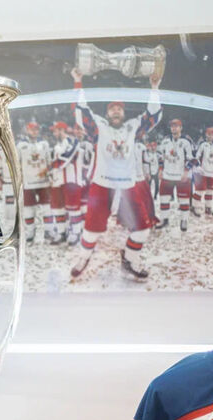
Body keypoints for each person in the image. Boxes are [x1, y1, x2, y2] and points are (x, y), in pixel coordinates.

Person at [70, 67, 162, 280]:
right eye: (112, 109)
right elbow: (81, 111)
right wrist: (78, 82)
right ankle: (84, 257)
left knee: (142, 230)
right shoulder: (99, 127)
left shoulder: (132, 127)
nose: (116, 111)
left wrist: (154, 88)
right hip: (102, 185)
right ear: (107, 113)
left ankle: (129, 258)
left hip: (128, 185)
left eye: (119, 108)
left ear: (123, 112)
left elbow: (153, 116)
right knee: (91, 231)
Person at [157, 119, 196, 231]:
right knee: (164, 198)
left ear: (181, 128)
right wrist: (160, 169)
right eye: (172, 126)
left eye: (176, 126)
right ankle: (164, 220)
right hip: (167, 175)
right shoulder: (165, 141)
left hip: (181, 176)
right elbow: (160, 156)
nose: (174, 128)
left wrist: (186, 171)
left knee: (184, 200)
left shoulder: (186, 141)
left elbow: (192, 159)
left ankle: (184, 220)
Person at [17, 121, 52, 243]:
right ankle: (30, 233)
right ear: (27, 130)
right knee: (28, 208)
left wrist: (50, 175)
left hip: (43, 181)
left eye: (36, 129)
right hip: (28, 182)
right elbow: (17, 163)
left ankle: (49, 232)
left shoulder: (44, 144)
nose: (34, 131)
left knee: (47, 207)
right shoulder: (21, 145)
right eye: (32, 129)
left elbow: (49, 161)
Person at [50, 121, 82, 245]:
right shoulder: (57, 145)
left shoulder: (72, 142)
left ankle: (76, 233)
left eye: (55, 131)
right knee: (58, 208)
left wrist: (52, 166)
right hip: (57, 181)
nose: (54, 133)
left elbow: (65, 159)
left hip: (70, 180)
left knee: (73, 208)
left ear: (61, 130)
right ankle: (62, 232)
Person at [194, 126, 213, 216]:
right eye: (209, 134)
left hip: (212, 172)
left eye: (212, 134)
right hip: (203, 172)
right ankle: (196, 207)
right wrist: (198, 166)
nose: (210, 136)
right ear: (206, 134)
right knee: (200, 191)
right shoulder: (203, 145)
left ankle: (208, 208)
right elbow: (197, 156)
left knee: (210, 191)